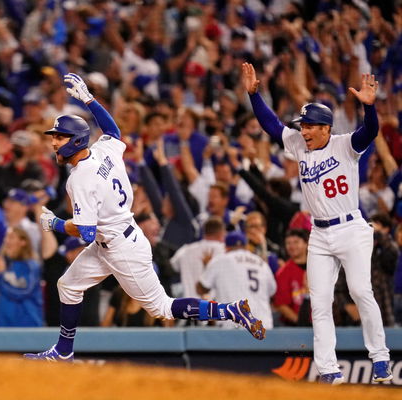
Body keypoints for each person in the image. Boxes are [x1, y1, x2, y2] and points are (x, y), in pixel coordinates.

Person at [24, 73, 266, 362]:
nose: (53, 143)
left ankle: (231, 310)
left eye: (59, 138)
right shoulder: (103, 151)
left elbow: (86, 233)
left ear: (76, 141)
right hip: (114, 239)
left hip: (122, 248)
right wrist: (89, 99)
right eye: (53, 137)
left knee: (161, 307)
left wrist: (55, 224)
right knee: (68, 285)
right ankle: (64, 351)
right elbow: (113, 131)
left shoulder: (80, 179)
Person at [242, 62, 392, 384]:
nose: (304, 130)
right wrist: (254, 96)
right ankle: (328, 370)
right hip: (320, 233)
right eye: (303, 125)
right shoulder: (298, 144)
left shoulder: (345, 145)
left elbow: (370, 132)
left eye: (310, 125)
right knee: (319, 302)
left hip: (351, 229)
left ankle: (380, 356)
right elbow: (272, 126)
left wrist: (369, 108)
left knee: (360, 290)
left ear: (325, 128)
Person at [200, 231, 276, 330]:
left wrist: (207, 267)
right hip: (263, 326)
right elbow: (272, 291)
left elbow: (202, 288)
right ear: (246, 246)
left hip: (235, 326)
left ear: (226, 247)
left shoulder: (220, 260)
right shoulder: (261, 263)